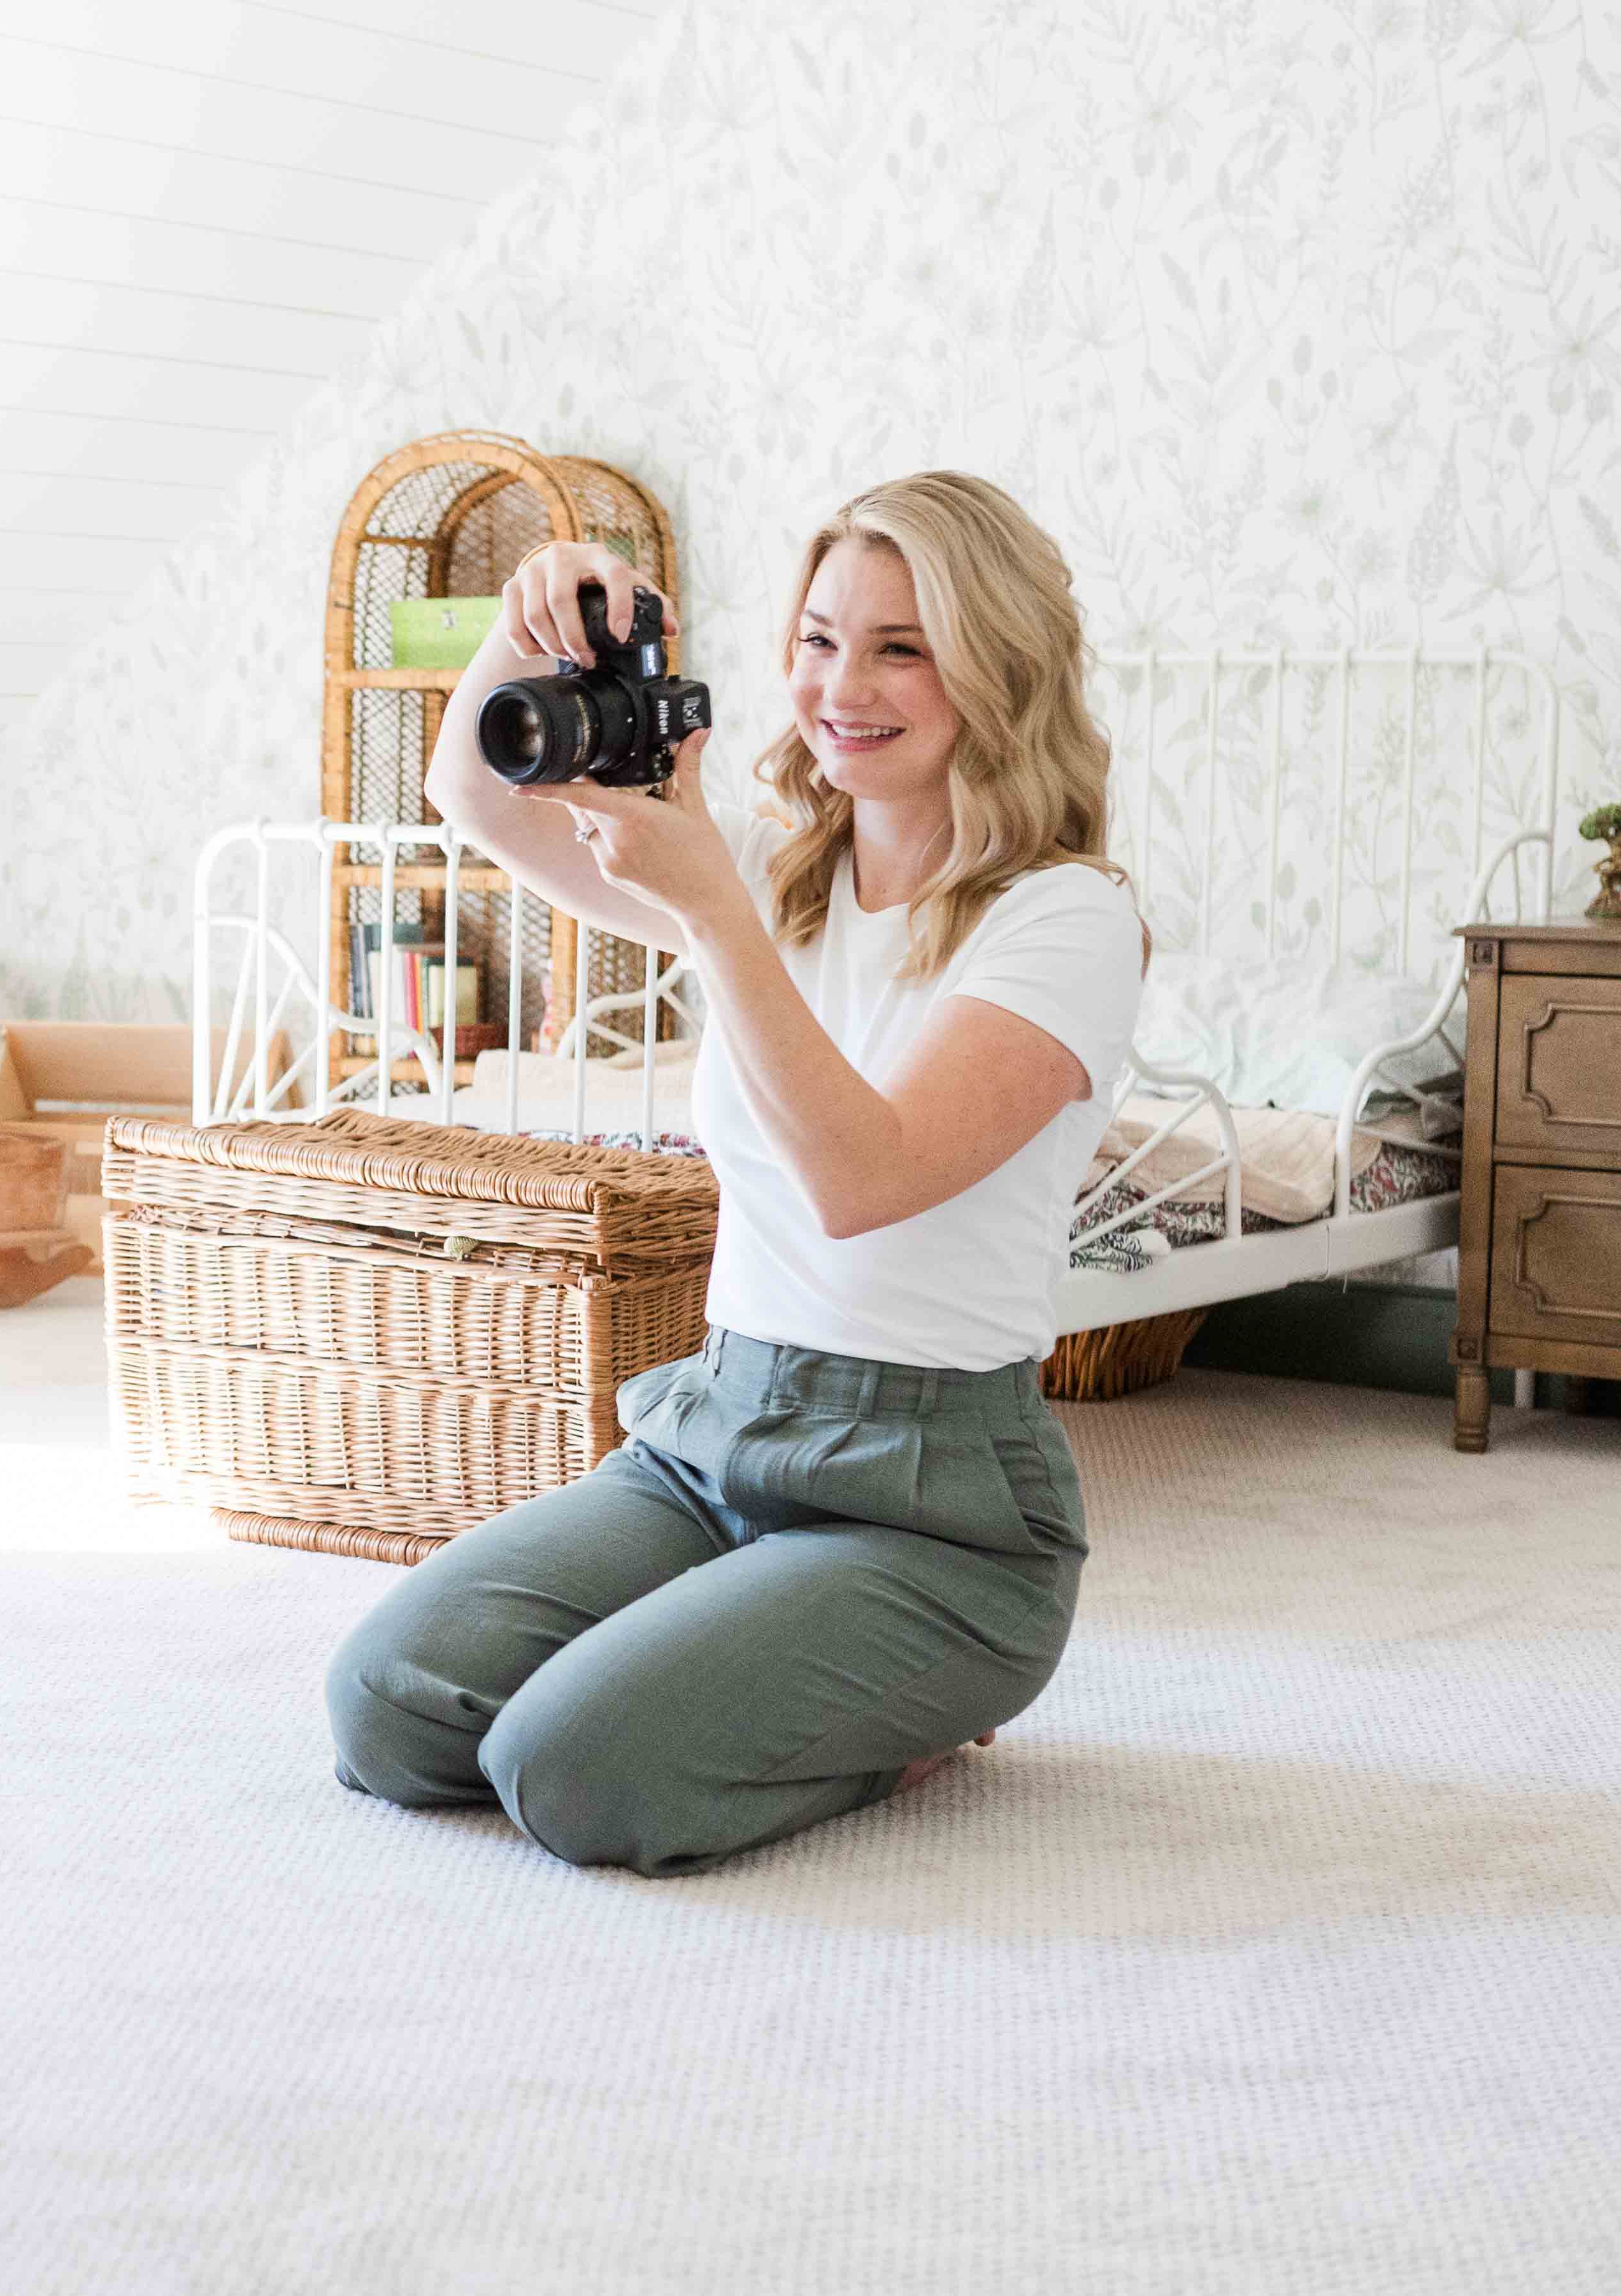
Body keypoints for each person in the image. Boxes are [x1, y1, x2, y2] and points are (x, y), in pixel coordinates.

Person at [325, 471, 1146, 1878]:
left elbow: (860, 1178)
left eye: (902, 645)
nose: (842, 684)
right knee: (388, 1711)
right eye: (820, 638)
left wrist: (710, 911)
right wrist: (537, 618)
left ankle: (892, 1717)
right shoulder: (776, 865)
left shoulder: (1065, 920)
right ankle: (765, 1648)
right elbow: (468, 785)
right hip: (716, 1435)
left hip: (934, 1504)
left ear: (998, 664)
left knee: (571, 1775)